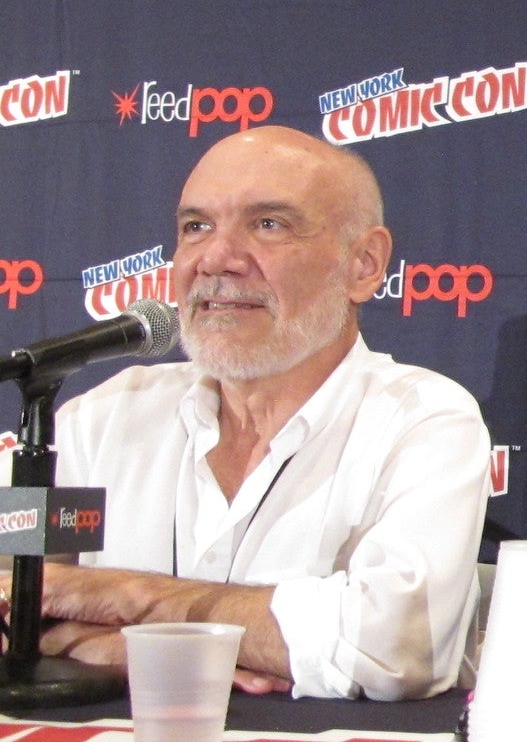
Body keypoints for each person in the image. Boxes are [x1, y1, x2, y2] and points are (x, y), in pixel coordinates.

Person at [2, 126, 491, 698]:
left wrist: (125, 600)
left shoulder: (423, 420)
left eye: (268, 225)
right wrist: (114, 650)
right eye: (196, 227)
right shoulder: (105, 417)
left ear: (363, 264)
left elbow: (392, 648)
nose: (217, 258)